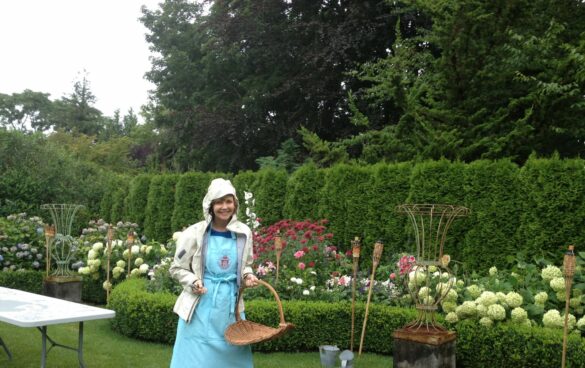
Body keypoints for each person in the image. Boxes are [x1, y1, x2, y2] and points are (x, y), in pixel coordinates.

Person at [169, 178, 258, 368]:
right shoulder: (194, 233)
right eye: (219, 202)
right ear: (210, 205)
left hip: (231, 308)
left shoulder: (244, 232)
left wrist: (247, 276)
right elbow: (176, 268)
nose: (224, 207)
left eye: (228, 201)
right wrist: (193, 281)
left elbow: (246, 265)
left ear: (235, 203)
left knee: (233, 357)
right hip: (201, 306)